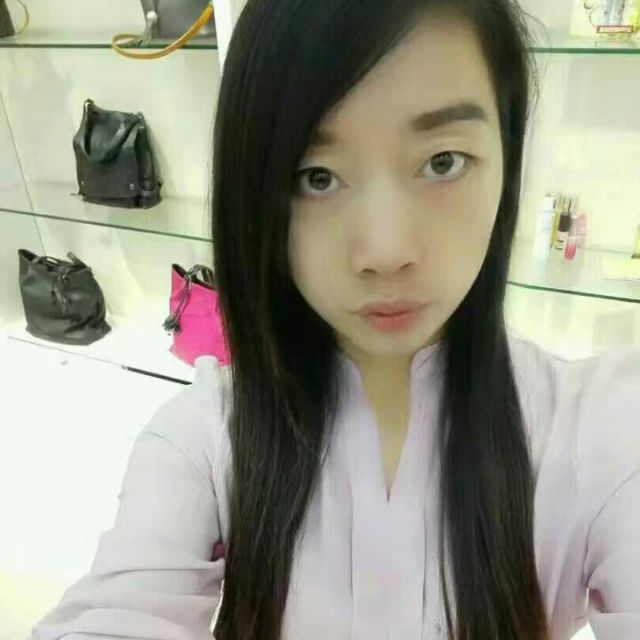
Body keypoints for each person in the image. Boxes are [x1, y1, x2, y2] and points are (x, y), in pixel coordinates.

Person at [30, 0, 640, 639]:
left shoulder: (599, 433)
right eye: (317, 177)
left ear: (507, 158)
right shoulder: (205, 441)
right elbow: (117, 612)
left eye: (443, 161)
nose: (385, 251)